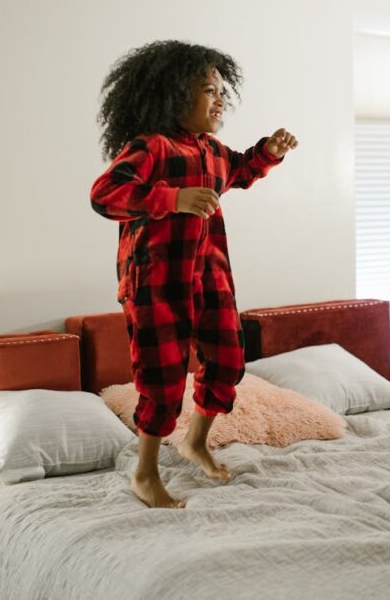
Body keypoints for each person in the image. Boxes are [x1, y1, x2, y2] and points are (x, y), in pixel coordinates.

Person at [91, 40, 297, 508]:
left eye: (223, 90)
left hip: (210, 275)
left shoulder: (211, 151)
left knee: (228, 361)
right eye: (209, 89)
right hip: (155, 283)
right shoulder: (151, 147)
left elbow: (241, 170)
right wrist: (171, 199)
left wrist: (267, 152)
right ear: (172, 95)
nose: (221, 99)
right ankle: (145, 473)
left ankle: (195, 441)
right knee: (161, 380)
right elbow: (105, 195)